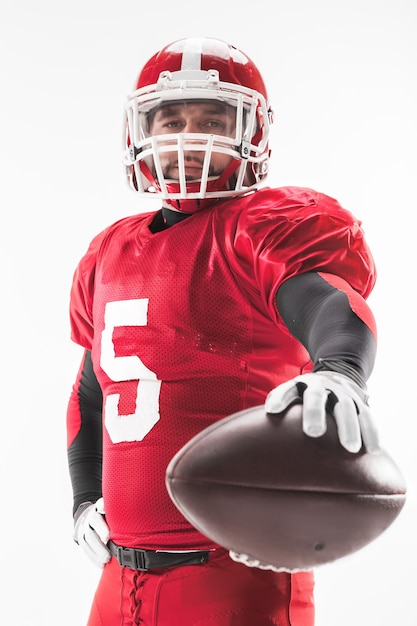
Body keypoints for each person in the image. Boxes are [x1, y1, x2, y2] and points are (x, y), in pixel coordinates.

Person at [66, 37, 380, 626]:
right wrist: (86, 498)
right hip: (118, 578)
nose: (188, 137)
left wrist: (339, 371)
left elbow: (330, 308)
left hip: (235, 575)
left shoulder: (259, 229)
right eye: (172, 120)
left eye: (213, 119)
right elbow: (91, 395)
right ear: (142, 132)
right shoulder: (108, 250)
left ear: (252, 131)